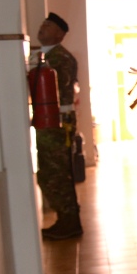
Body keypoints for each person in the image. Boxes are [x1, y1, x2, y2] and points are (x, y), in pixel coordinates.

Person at [32, 12, 82, 240]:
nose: (42, 27)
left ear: (60, 34)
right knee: (53, 172)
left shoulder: (60, 58)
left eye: (48, 25)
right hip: (50, 120)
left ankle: (69, 222)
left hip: (56, 123)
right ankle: (66, 220)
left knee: (56, 174)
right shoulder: (46, 57)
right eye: (43, 24)